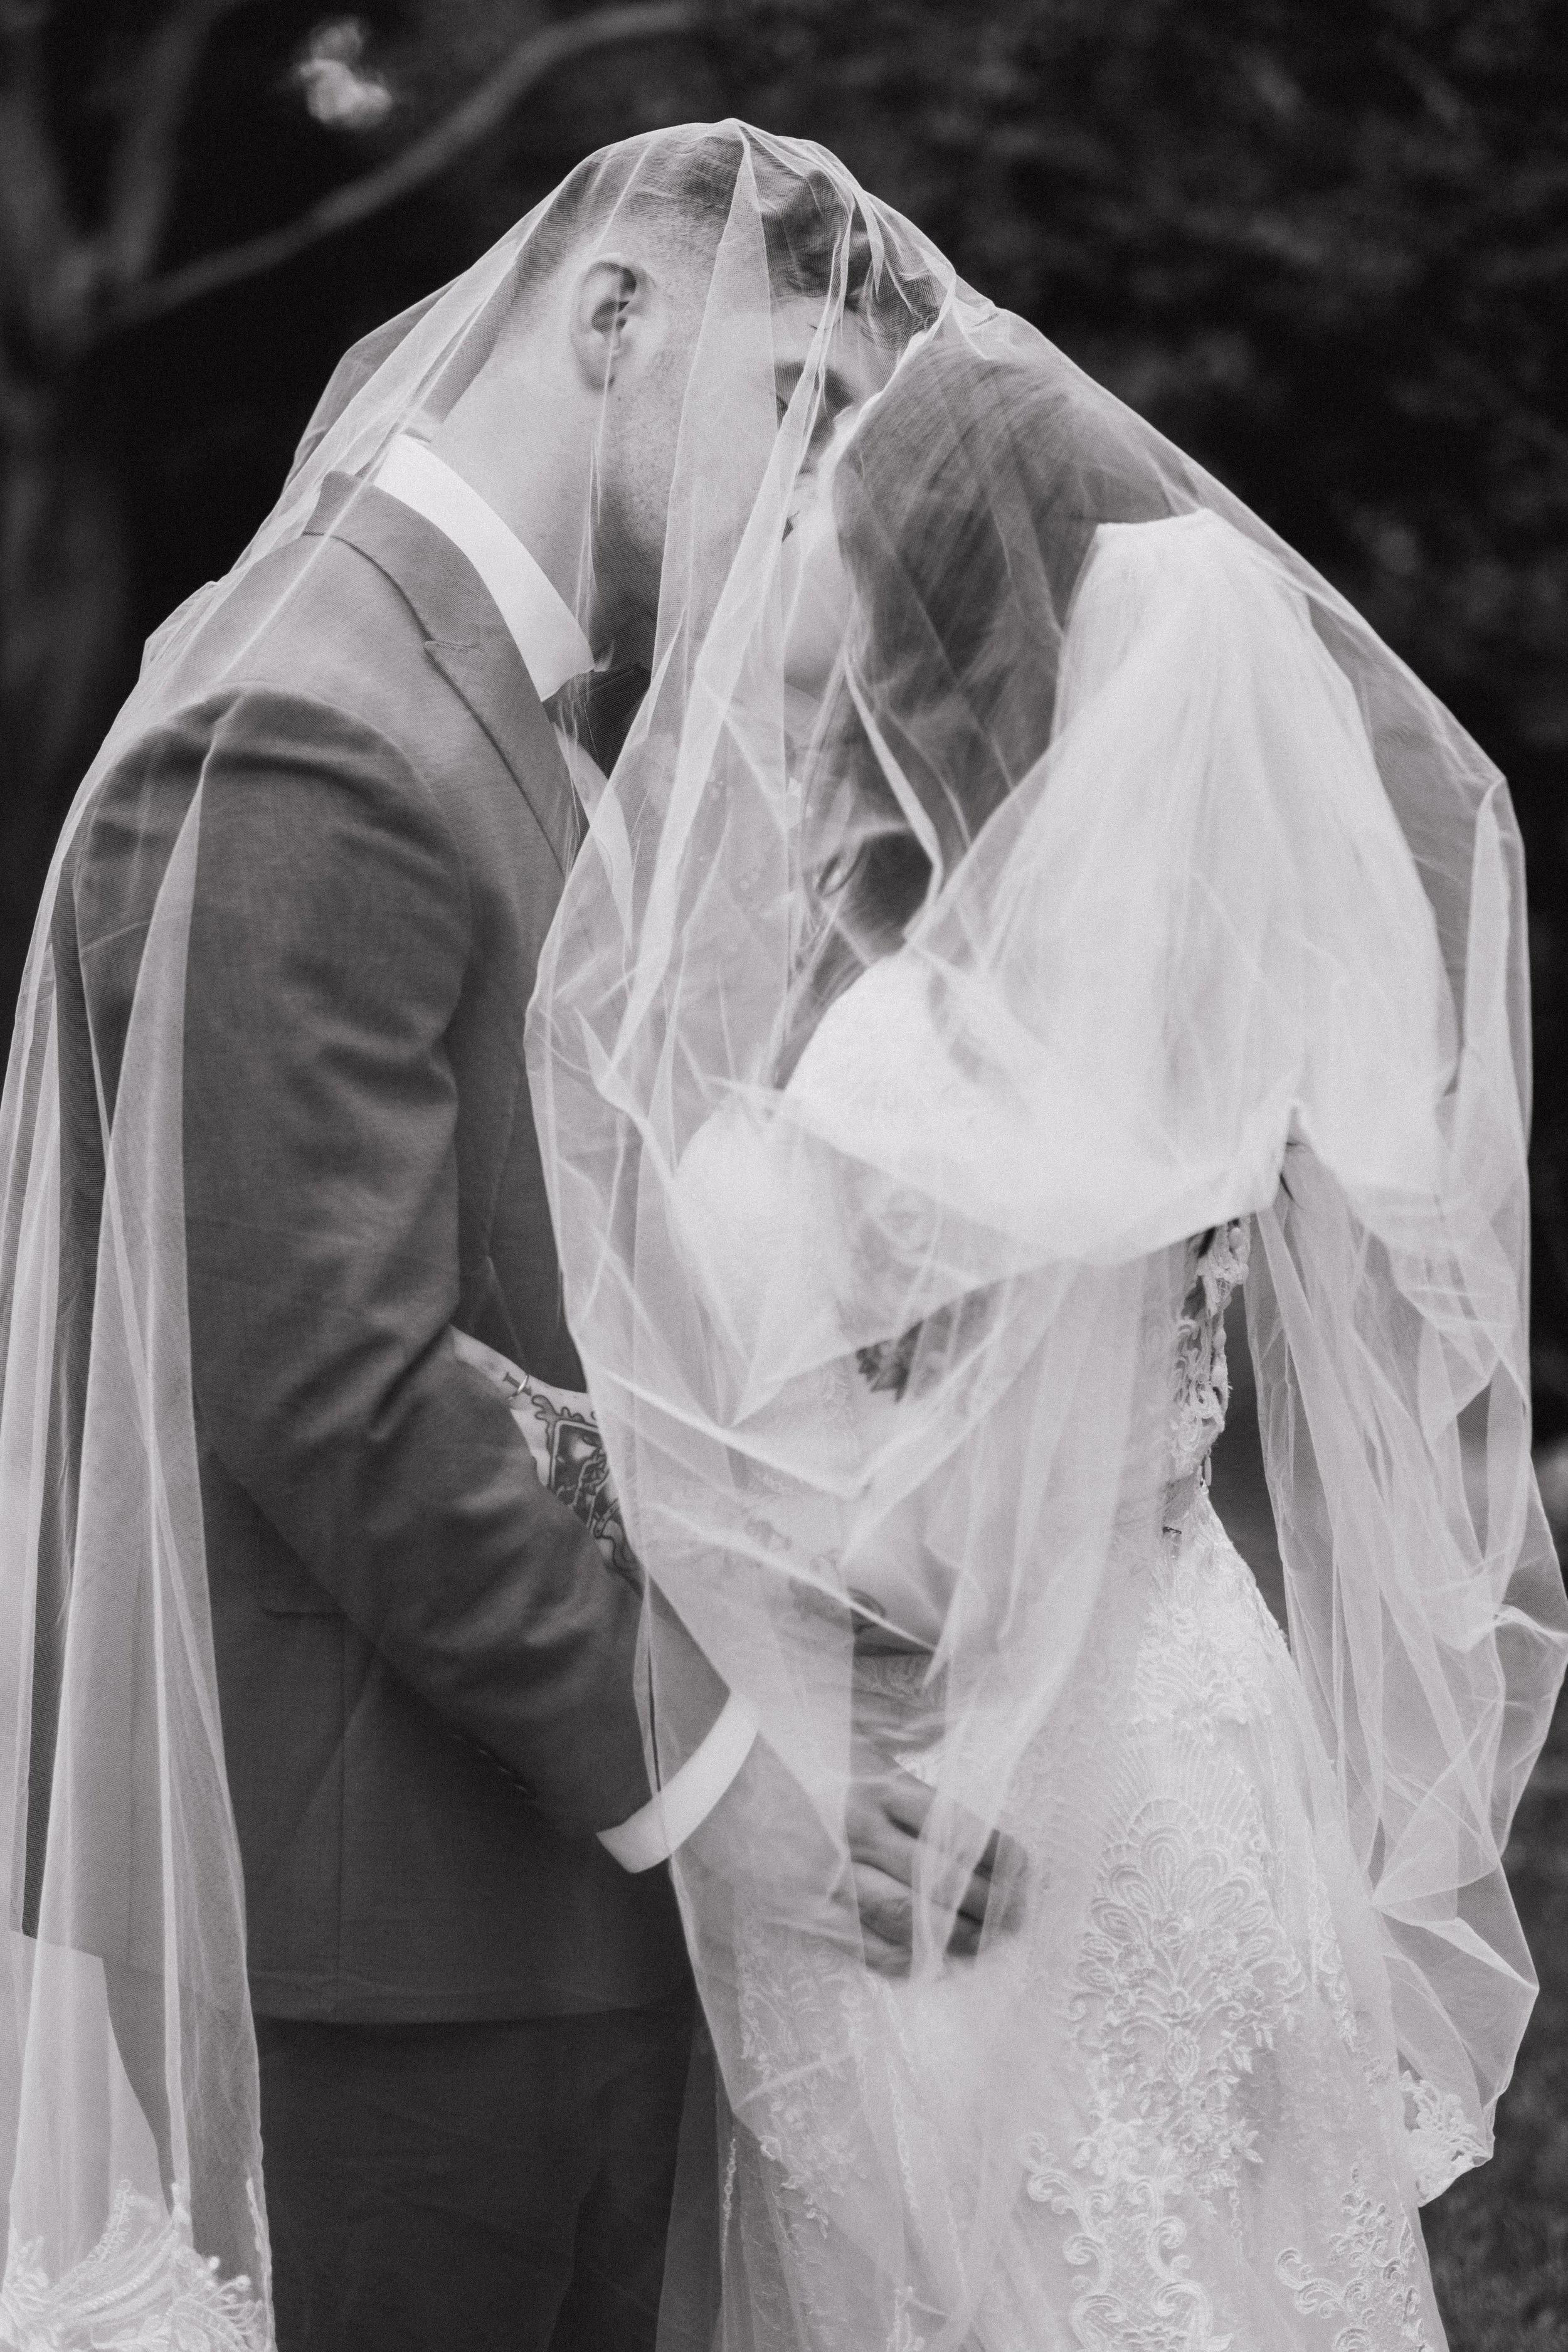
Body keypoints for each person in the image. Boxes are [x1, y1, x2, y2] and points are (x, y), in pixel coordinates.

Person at [527, 225, 1568, 2345]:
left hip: (970, 1832)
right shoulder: (1174, 1018)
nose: (786, 533)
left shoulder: (909, 1070)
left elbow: (904, 1546)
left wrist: (612, 1483)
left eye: (831, 503)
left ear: (919, 612)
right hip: (1194, 1749)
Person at [0, 127, 987, 2352]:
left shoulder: (490, 709)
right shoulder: (307, 726)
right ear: (614, 320)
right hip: (379, 1933)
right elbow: (330, 1377)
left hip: (517, 1885)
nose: (805, 501)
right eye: (797, 408)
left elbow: (566, 1304)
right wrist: (723, 1778)